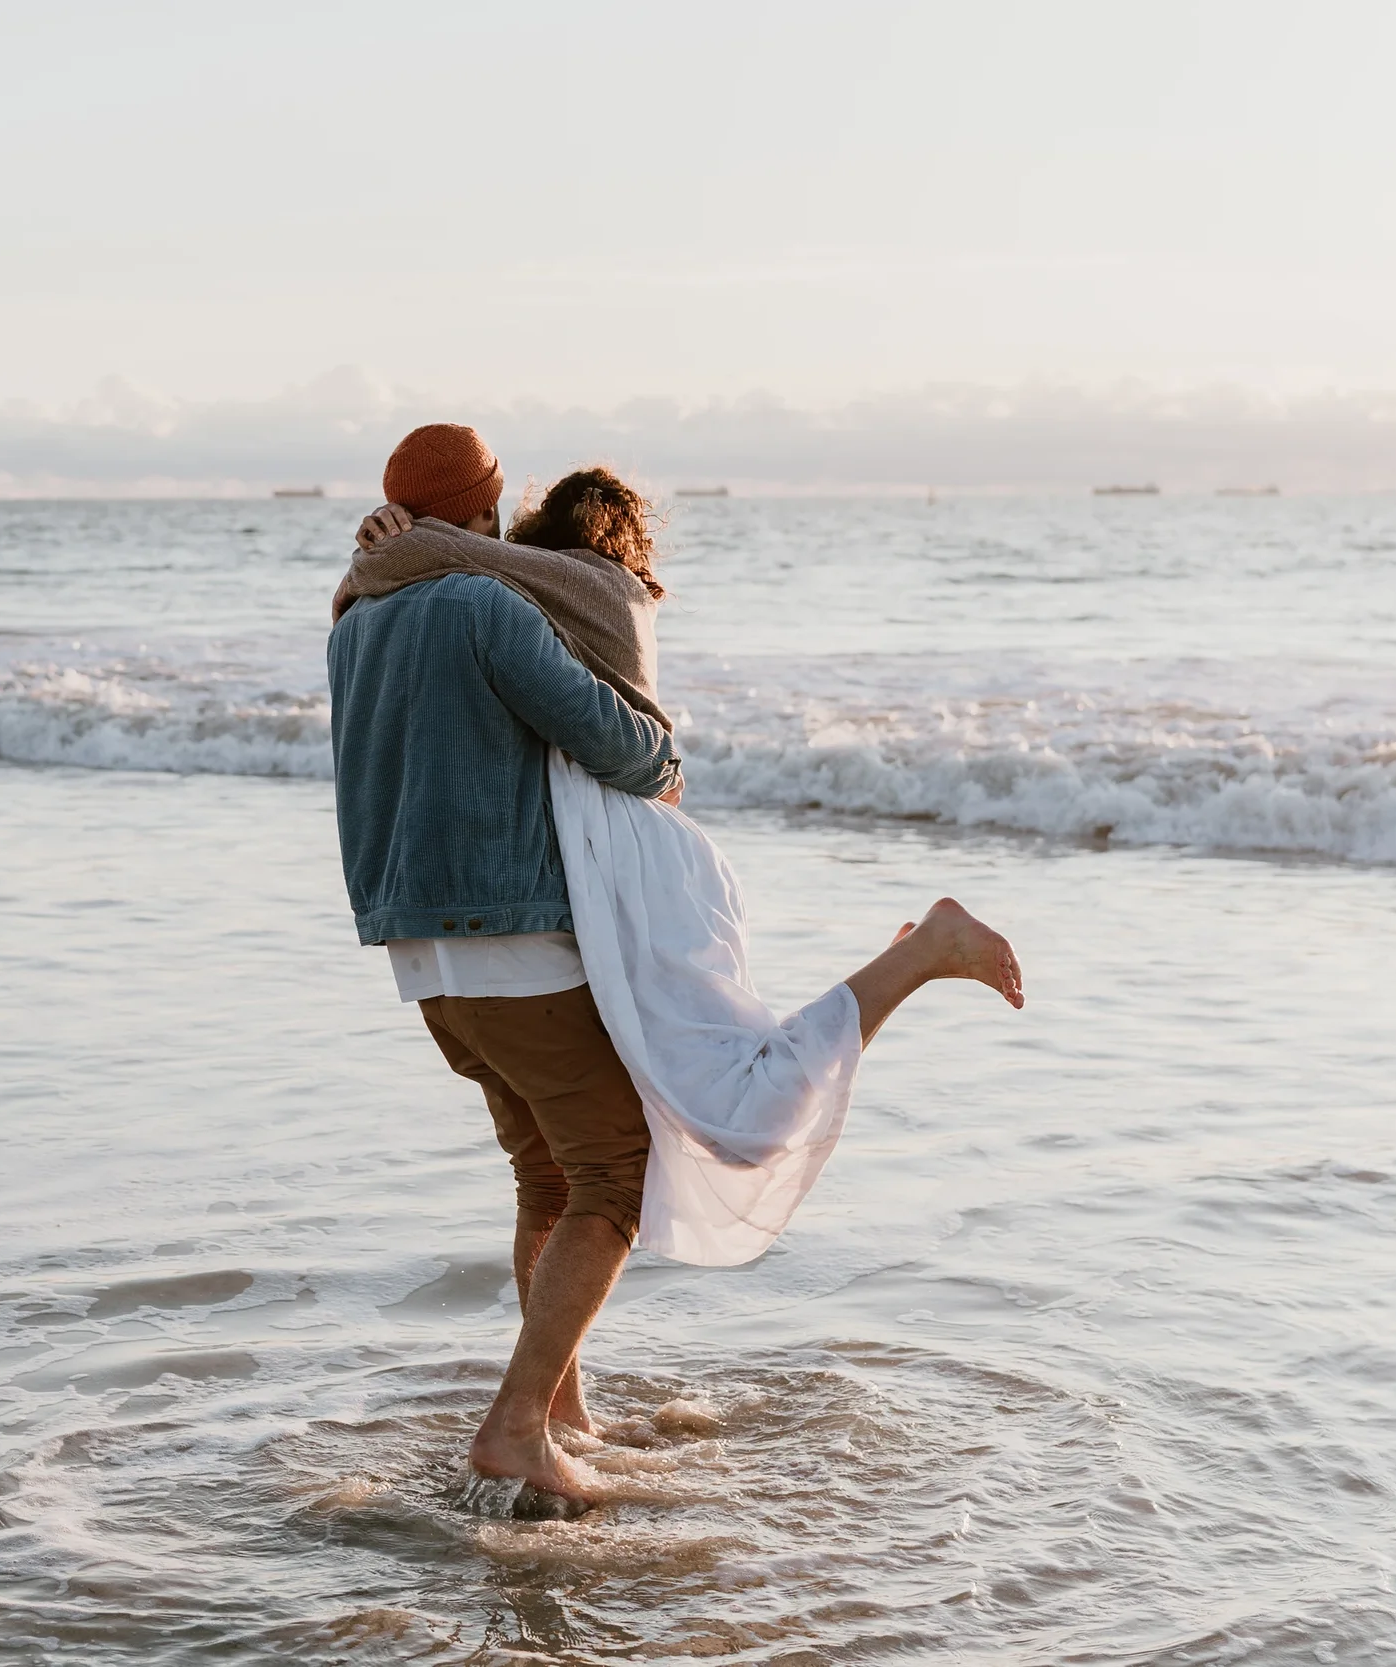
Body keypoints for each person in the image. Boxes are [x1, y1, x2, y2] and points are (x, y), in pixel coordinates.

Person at [329, 428, 1022, 1512]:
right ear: (486, 502)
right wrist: (664, 758)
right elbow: (624, 746)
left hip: (417, 948)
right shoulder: (484, 606)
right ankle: (513, 1426)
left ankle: (561, 1414)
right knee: (611, 1175)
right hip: (512, 933)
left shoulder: (355, 618)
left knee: (546, 1176)